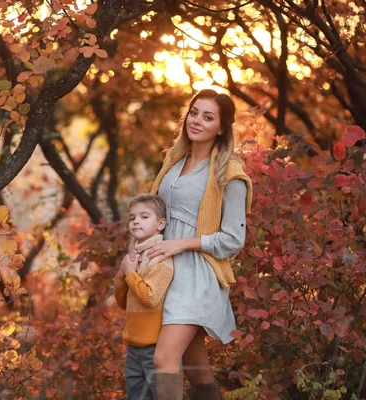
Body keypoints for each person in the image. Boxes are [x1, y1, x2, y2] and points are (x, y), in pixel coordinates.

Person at [145, 89, 253, 400]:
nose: (197, 121)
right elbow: (157, 214)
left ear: (220, 128)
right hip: (165, 273)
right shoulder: (173, 160)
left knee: (164, 360)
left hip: (198, 276)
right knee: (195, 367)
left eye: (208, 117)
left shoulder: (229, 174)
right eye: (194, 112)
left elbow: (233, 239)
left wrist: (181, 245)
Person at [114, 194, 175, 400]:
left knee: (163, 396)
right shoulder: (135, 257)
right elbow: (122, 301)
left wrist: (131, 273)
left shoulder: (160, 258)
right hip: (133, 347)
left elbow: (150, 297)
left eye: (144, 216)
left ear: (160, 224)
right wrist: (124, 273)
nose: (136, 221)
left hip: (154, 347)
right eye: (132, 218)